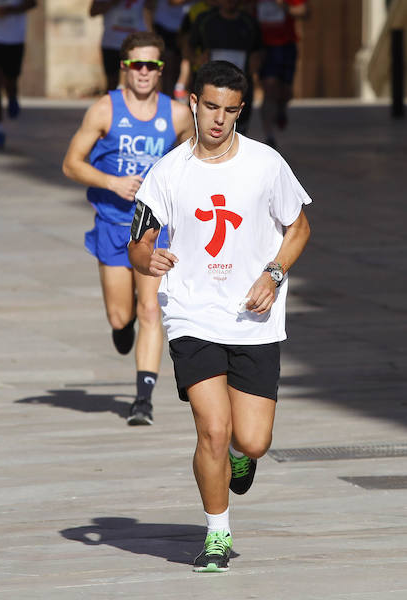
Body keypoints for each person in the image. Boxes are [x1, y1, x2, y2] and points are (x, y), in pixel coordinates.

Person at [128, 60, 311, 572]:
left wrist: (273, 274)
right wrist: (149, 259)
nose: (218, 119)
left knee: (252, 439)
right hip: (193, 315)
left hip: (254, 318)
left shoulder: (266, 164)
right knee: (212, 428)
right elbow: (137, 245)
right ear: (193, 102)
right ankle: (217, 533)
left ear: (240, 110)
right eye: (210, 106)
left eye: (230, 110)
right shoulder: (168, 172)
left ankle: (240, 457)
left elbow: (298, 228)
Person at [62, 31, 193, 425]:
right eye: (137, 64)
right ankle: (123, 326)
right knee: (121, 317)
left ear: (161, 69)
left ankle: (143, 400)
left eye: (151, 65)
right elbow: (71, 164)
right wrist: (112, 183)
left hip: (154, 230)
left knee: (151, 308)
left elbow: (194, 160)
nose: (143, 72)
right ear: (124, 67)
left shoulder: (177, 115)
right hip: (112, 224)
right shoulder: (105, 109)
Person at [188, 0, 262, 133]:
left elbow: (259, 50)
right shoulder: (205, 20)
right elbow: (188, 46)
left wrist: (255, 62)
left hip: (240, 82)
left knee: (239, 125)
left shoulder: (250, 22)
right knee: (207, 124)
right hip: (210, 81)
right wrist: (197, 59)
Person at [0, 0, 37, 148]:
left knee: (10, 81)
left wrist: (9, 10)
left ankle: (12, 96)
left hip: (14, 39)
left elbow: (32, 3)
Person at [255, 0, 309, 148]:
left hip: (286, 45)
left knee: (286, 92)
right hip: (264, 46)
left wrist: (283, 5)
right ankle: (269, 136)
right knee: (269, 88)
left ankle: (281, 109)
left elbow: (304, 11)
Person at [90, 0, 153, 92]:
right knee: (112, 82)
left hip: (136, 45)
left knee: (135, 82)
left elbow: (151, 12)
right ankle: (113, 100)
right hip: (111, 43)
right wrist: (113, 2)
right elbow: (92, 12)